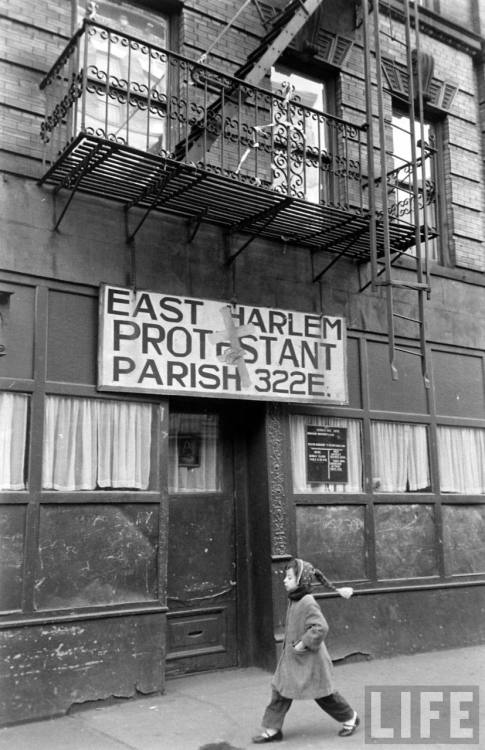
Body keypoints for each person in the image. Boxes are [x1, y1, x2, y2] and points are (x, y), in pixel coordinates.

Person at [252, 557, 360, 743]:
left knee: (324, 695)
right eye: (286, 577)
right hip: (293, 658)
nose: (285, 581)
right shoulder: (296, 598)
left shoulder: (307, 601)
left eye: (290, 578)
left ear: (301, 581)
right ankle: (272, 729)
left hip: (310, 661)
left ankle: (350, 718)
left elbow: (321, 627)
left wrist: (303, 643)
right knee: (280, 689)